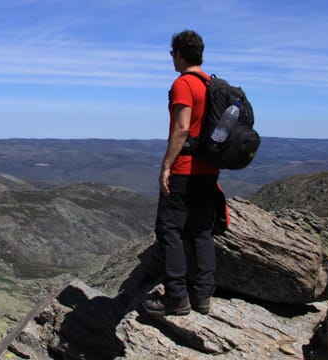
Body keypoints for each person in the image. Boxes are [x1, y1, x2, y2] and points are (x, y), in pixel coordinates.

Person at [143, 30, 220, 316]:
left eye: (171, 54)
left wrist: (166, 166)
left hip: (185, 168)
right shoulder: (212, 84)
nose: (171, 59)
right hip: (209, 169)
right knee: (201, 230)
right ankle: (202, 296)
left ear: (179, 54)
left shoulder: (184, 84)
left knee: (169, 230)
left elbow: (182, 128)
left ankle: (176, 297)